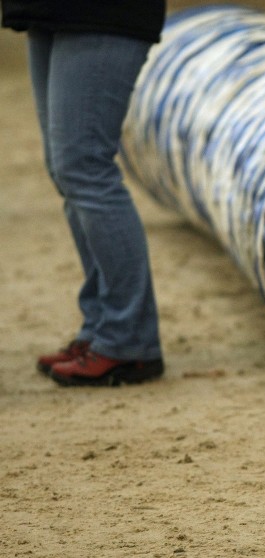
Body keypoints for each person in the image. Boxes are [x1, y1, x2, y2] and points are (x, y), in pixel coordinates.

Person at [1, 1, 166, 387]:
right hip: (50, 11)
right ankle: (101, 329)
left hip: (100, 11)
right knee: (68, 172)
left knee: (85, 169)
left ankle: (129, 341)